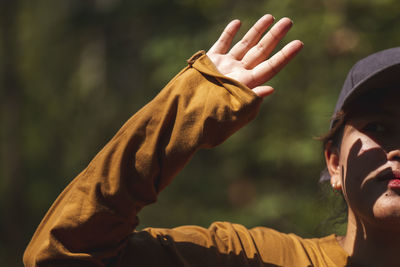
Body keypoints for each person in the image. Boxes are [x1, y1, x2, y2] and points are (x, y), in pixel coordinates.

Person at [22, 13, 400, 267]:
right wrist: (189, 106)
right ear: (334, 163)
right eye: (379, 128)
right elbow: (62, 252)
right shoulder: (263, 259)